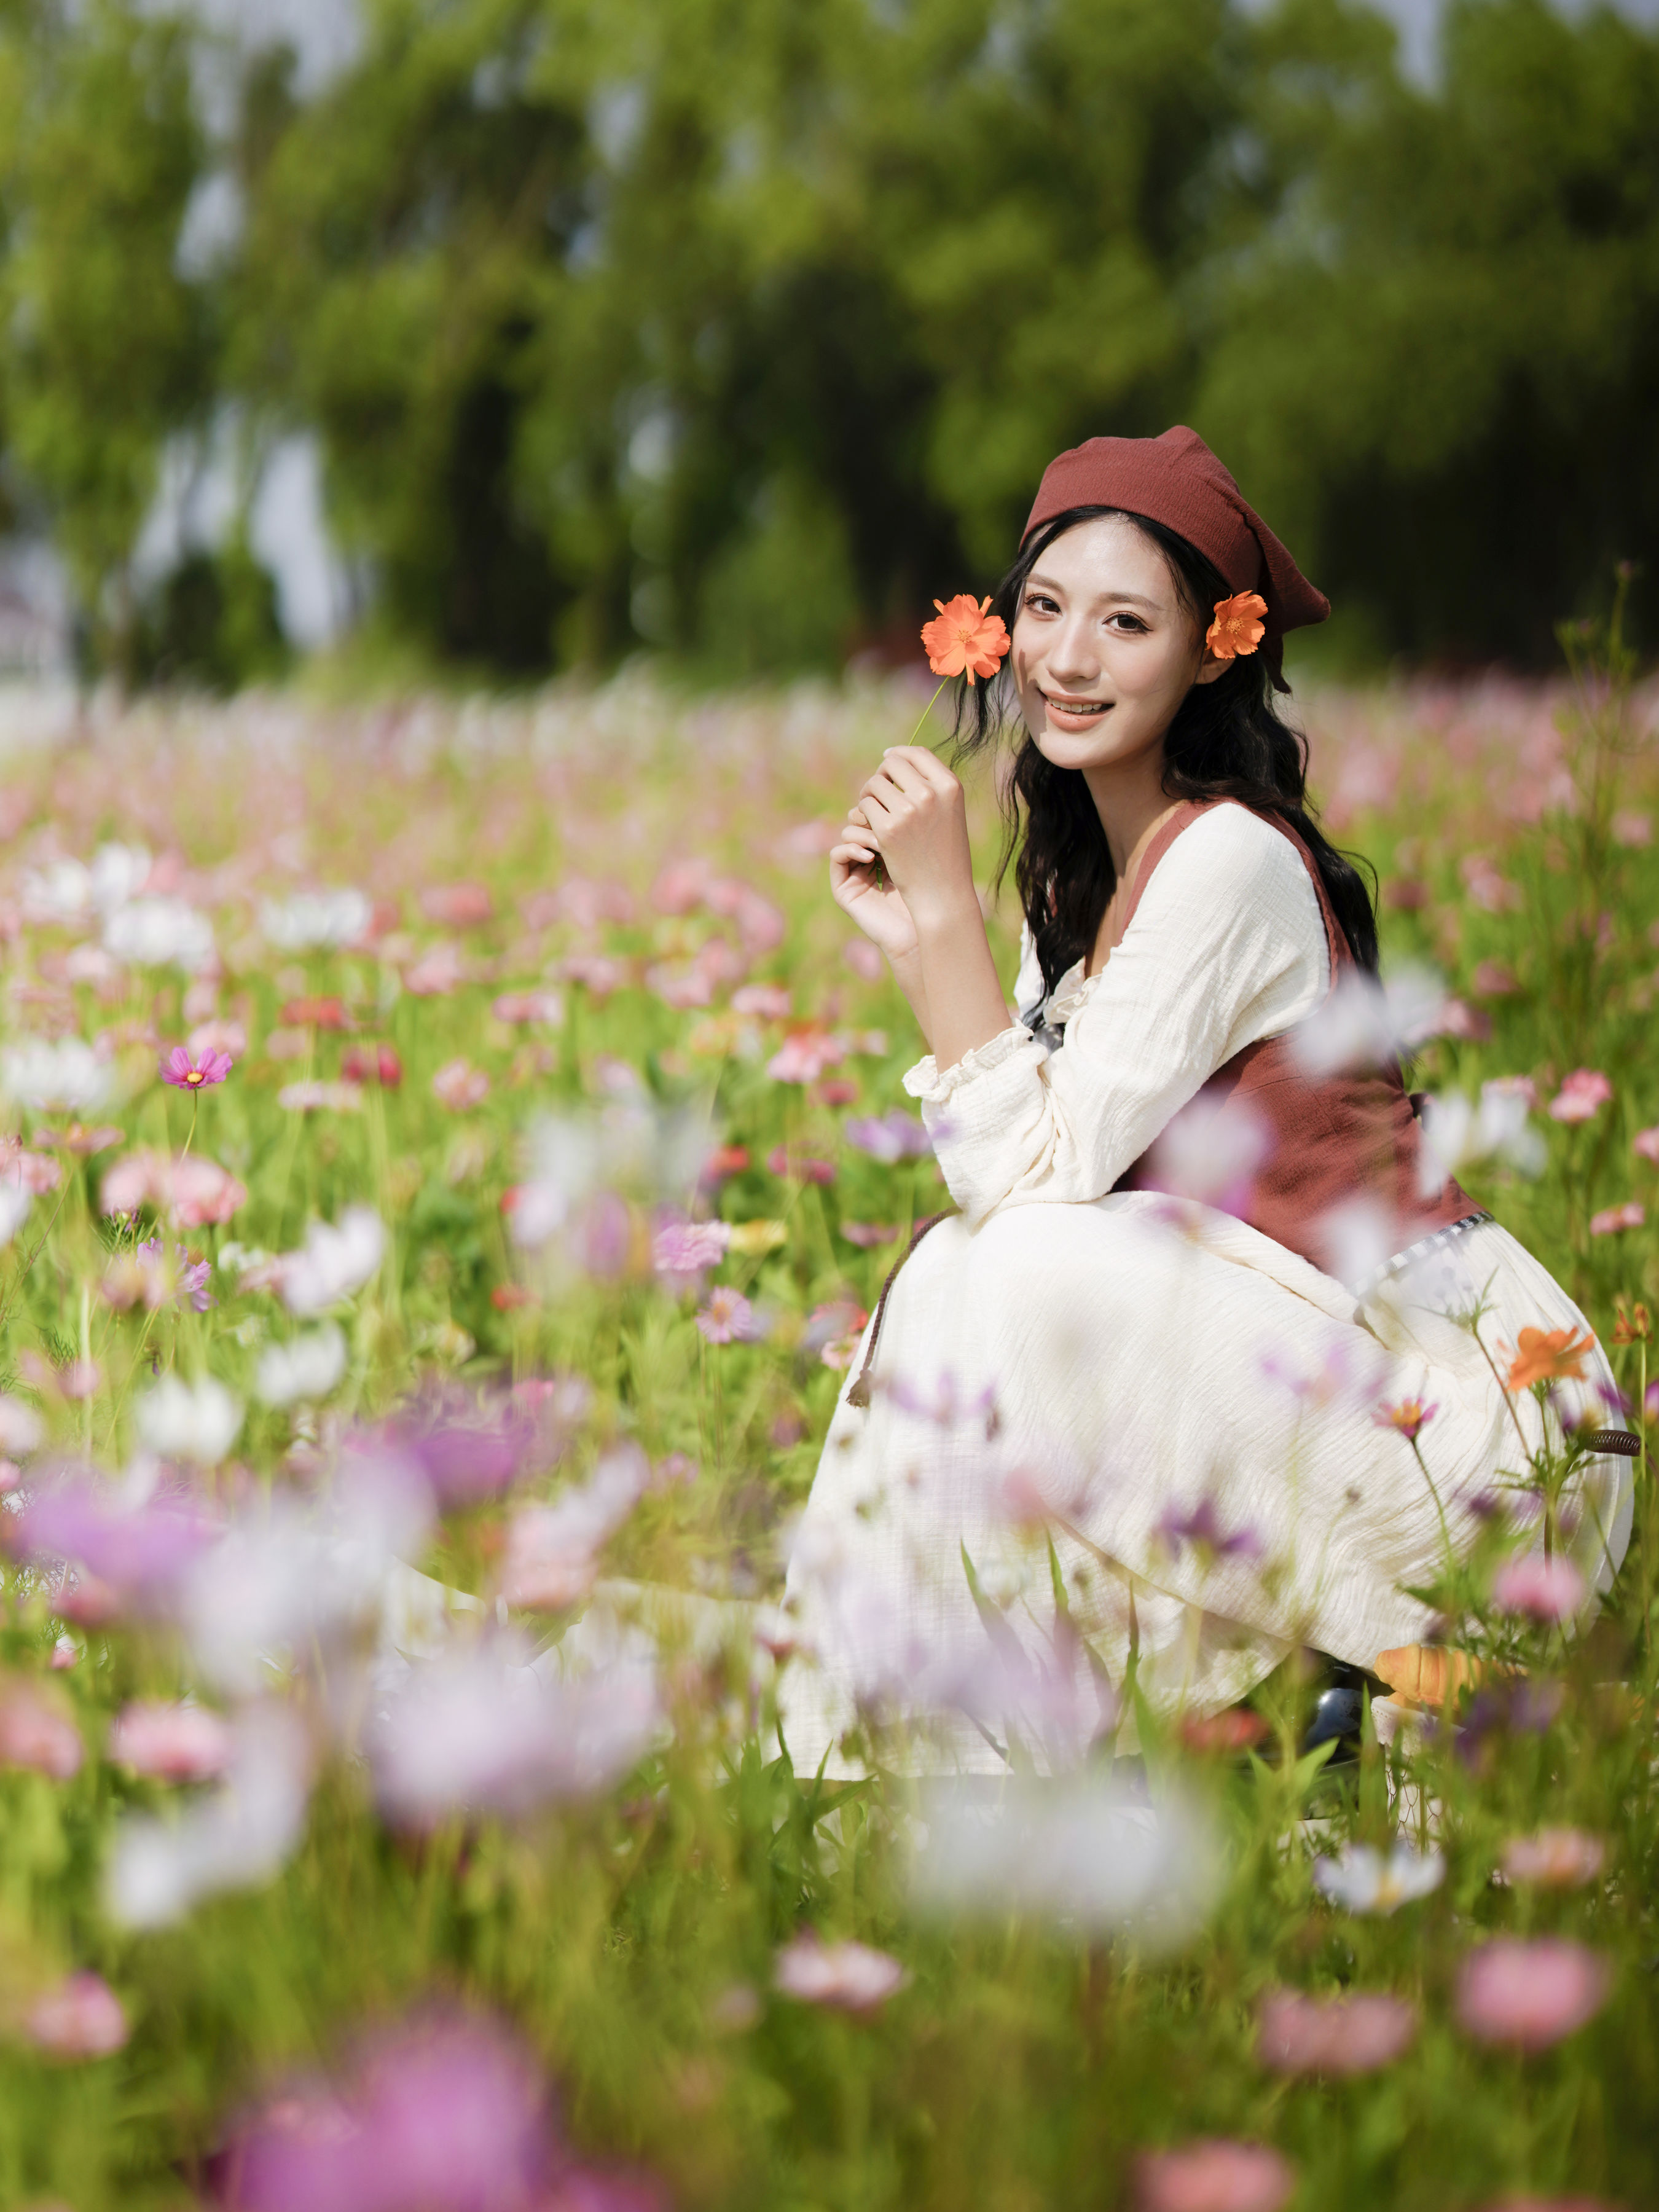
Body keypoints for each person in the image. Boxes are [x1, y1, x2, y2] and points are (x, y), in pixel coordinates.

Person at [777, 426, 1632, 1778]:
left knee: (996, 1269)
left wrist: (942, 910)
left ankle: (941, 1754)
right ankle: (1229, 1728)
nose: (1067, 657)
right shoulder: (1085, 887)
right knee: (967, 1282)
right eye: (1045, 609)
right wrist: (931, 945)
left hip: (1475, 1433)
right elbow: (1036, 1176)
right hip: (1312, 1382)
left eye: (1125, 622)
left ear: (1212, 649)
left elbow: (1028, 1196)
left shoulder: (1228, 860)